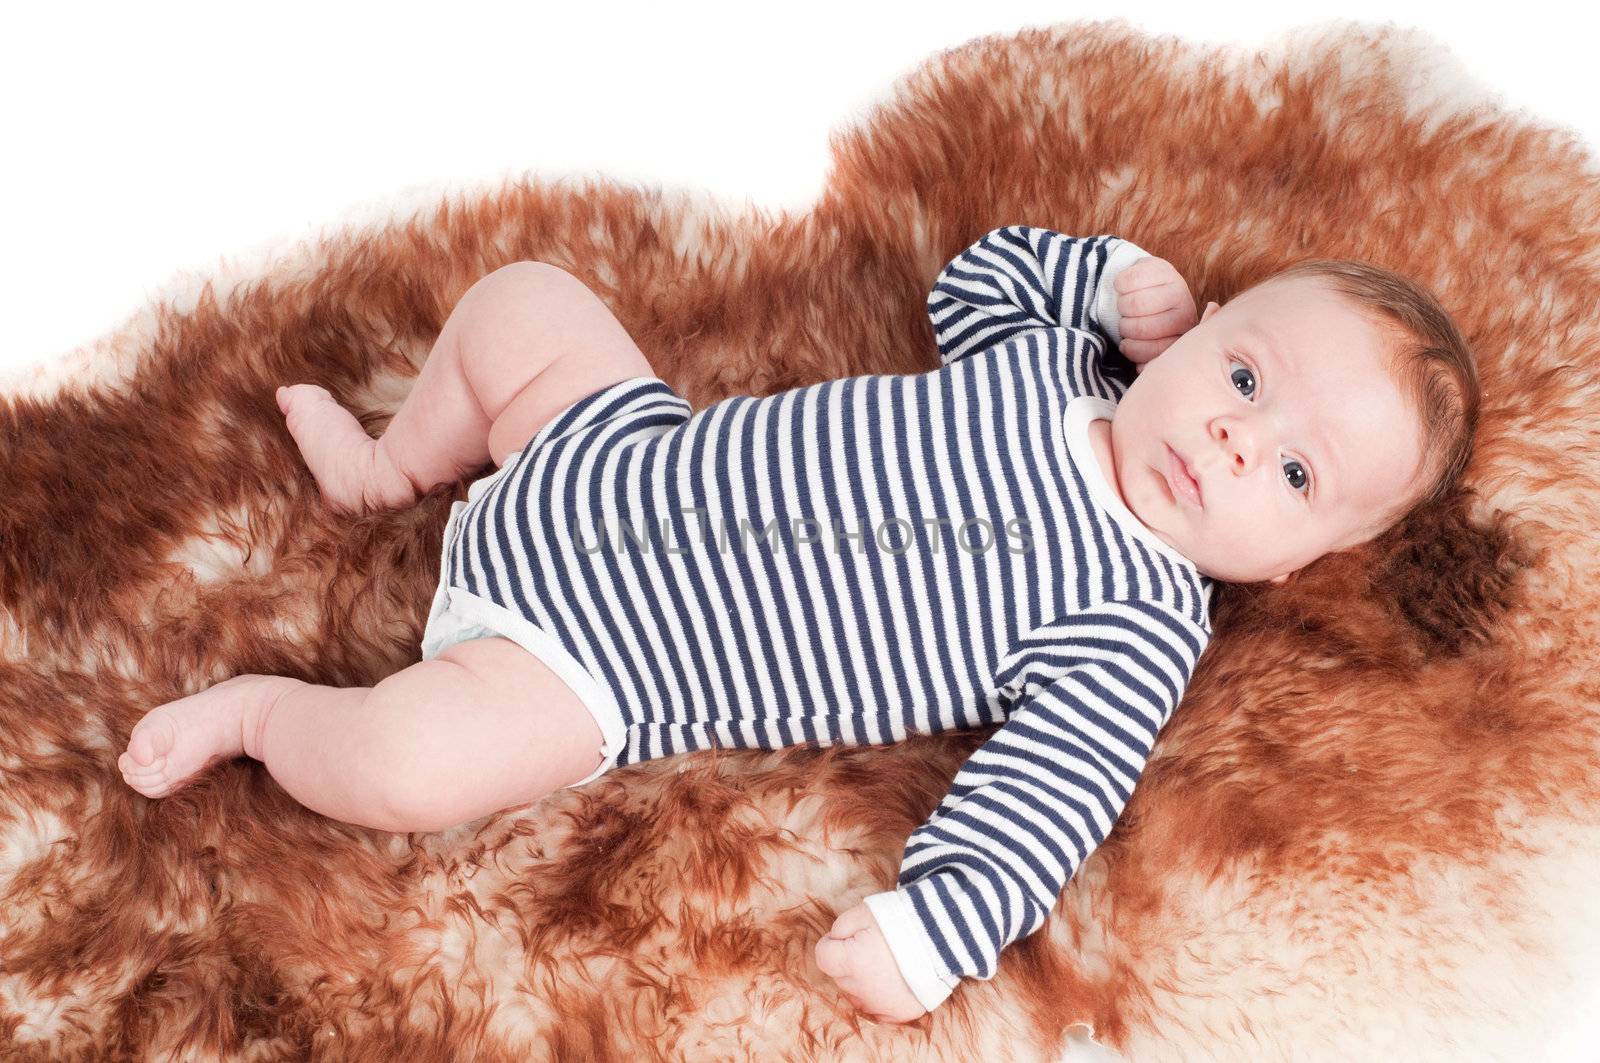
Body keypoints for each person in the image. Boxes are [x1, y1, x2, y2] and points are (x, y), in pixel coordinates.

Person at [116, 225, 1478, 1023]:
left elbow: (1045, 799)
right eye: (1245, 373)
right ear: (1200, 328)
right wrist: (1105, 280)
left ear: (1313, 557)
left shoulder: (1130, 621)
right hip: (612, 447)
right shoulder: (1056, 365)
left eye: (1296, 475)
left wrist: (938, 929)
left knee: (405, 771)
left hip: (594, 663)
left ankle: (261, 715)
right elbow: (976, 283)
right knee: (525, 300)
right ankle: (393, 468)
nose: (1238, 441)